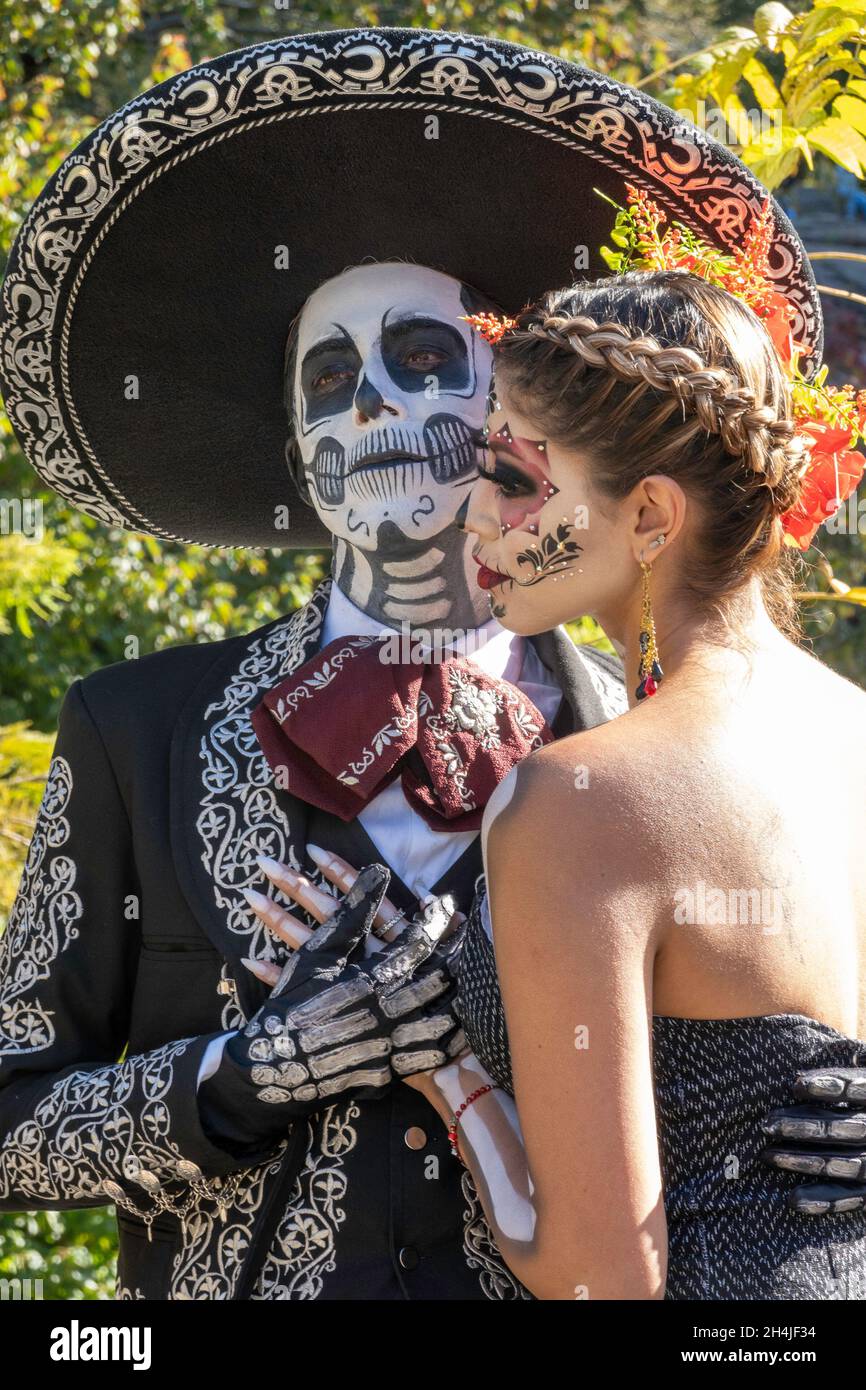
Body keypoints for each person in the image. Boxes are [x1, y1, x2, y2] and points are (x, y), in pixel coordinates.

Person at [0, 27, 835, 1301]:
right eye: (331, 381)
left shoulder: (656, 760)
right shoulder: (135, 731)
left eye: (423, 361)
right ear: (297, 451)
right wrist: (252, 1071)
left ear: (516, 416)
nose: (376, 408)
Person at [283, 268, 866, 1300]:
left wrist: (439, 1062)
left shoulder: (575, 800)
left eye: (509, 478)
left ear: (648, 513)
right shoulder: (849, 734)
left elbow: (599, 1274)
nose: (473, 519)